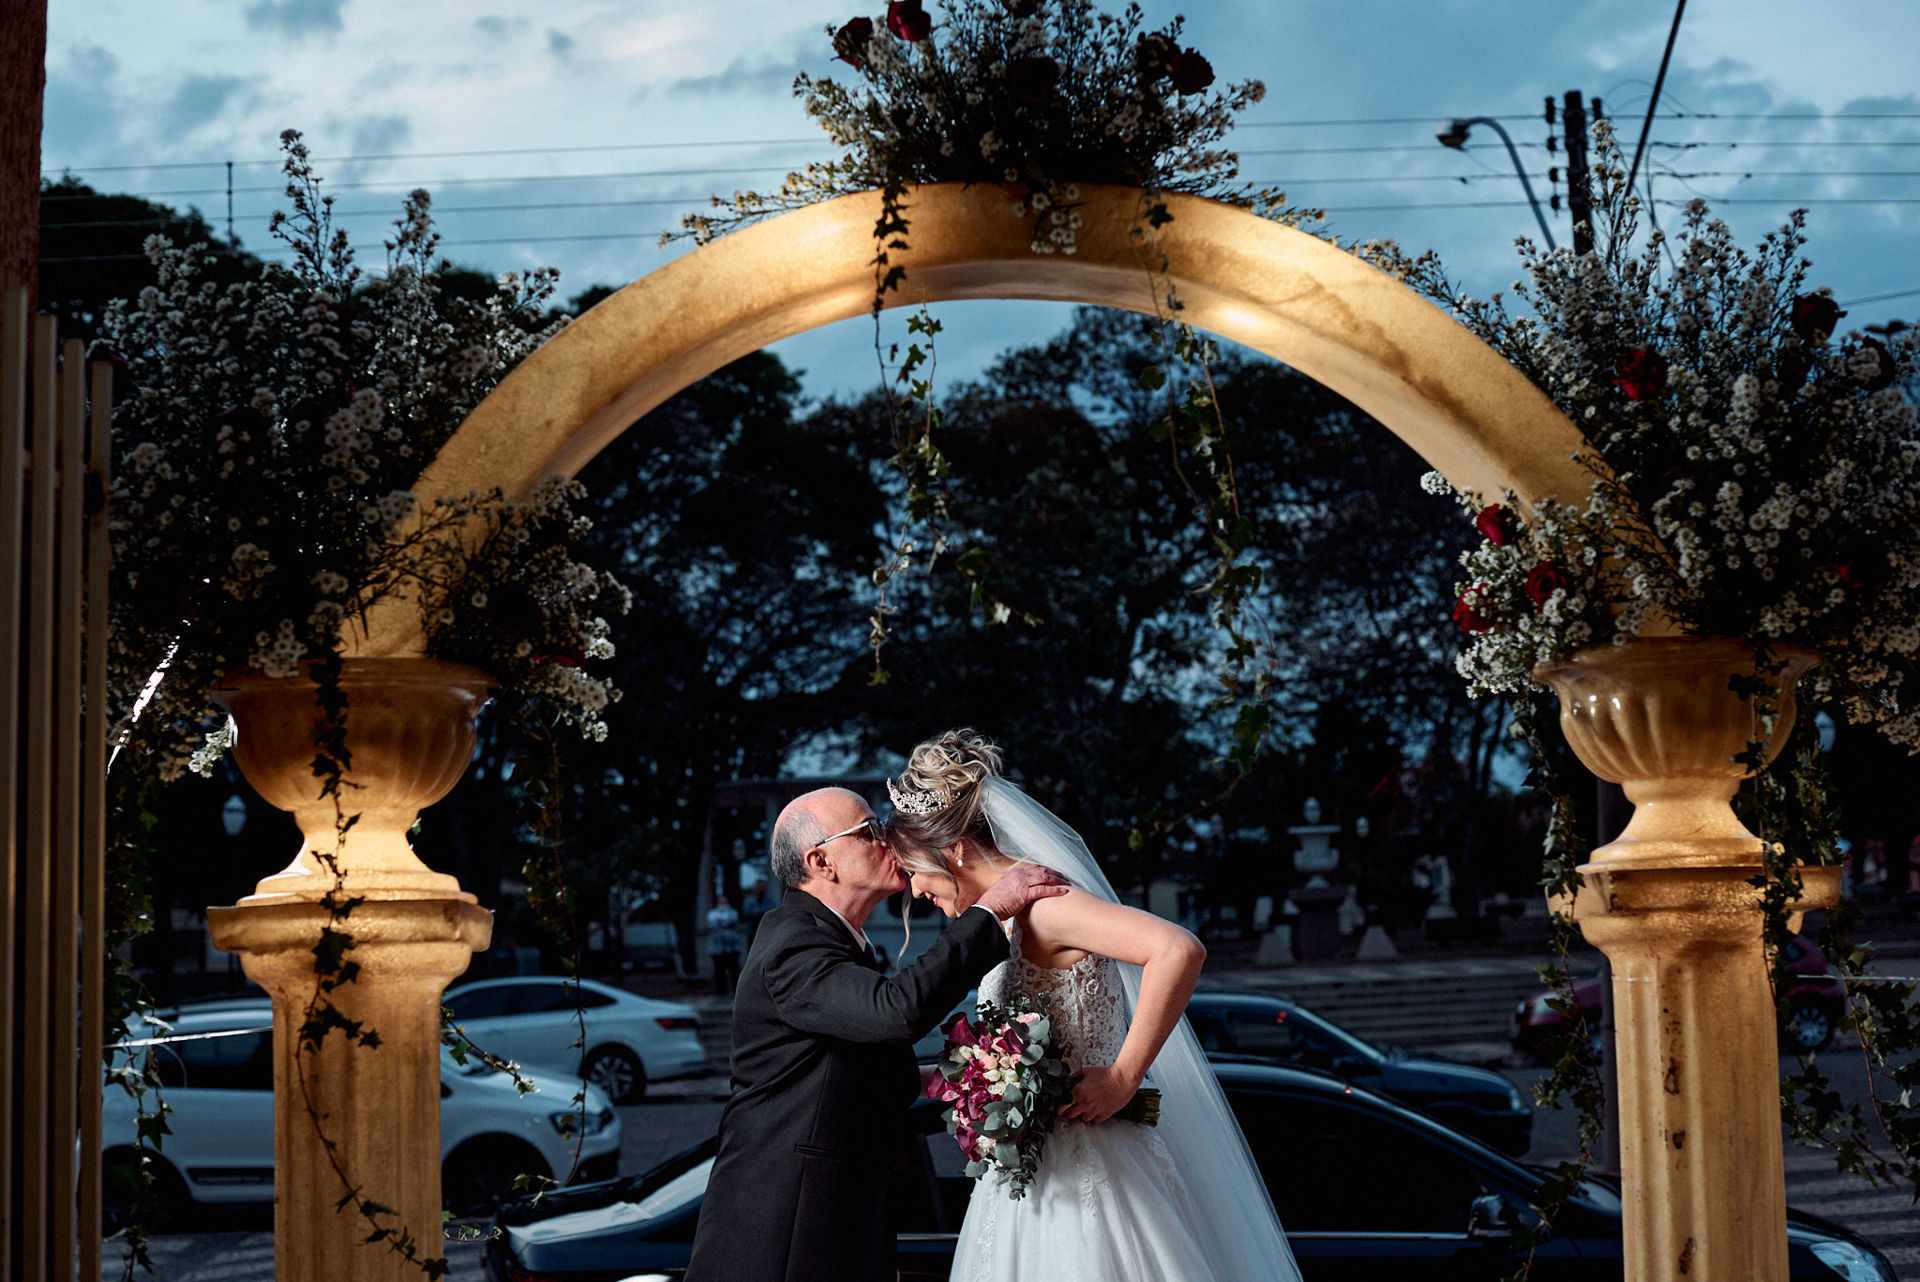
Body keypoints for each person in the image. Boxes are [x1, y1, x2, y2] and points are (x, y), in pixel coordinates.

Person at [886, 729, 1301, 1282]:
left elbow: (1178, 950)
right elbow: (1010, 1058)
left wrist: (1124, 1076)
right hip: (1033, 1181)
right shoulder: (1001, 920)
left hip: (1095, 1175)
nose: (914, 891)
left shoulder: (1045, 908)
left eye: (915, 869)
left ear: (956, 851)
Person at [684, 785, 1067, 1282]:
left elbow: (878, 1079)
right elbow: (895, 1013)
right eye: (868, 832)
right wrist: (989, 912)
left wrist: (995, 1076)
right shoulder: (792, 945)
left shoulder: (839, 944)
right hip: (783, 1232)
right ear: (821, 862)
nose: (889, 840)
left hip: (838, 1222)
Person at [705, 894, 742, 996]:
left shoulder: (733, 912)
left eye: (725, 902)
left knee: (734, 971)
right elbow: (712, 924)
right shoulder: (712, 913)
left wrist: (721, 923)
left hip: (732, 948)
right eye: (721, 902)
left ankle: (736, 992)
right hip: (717, 948)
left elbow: (732, 921)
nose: (723, 904)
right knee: (719, 971)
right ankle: (721, 993)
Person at [741, 878, 776, 951]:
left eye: (762, 888)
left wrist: (758, 911)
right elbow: (746, 913)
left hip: (766, 931)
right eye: (759, 888)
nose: (760, 890)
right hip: (752, 931)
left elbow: (773, 912)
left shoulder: (770, 900)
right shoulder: (750, 901)